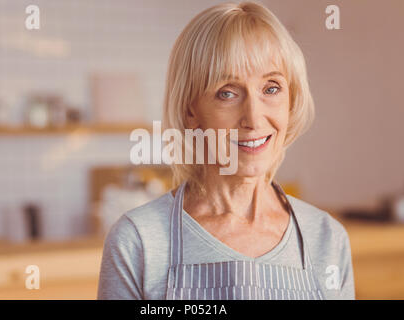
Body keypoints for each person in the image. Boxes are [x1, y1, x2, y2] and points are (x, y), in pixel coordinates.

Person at [98, 1, 355, 300]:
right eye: (228, 93)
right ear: (190, 110)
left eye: (271, 88)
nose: (254, 118)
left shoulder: (327, 238)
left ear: (290, 100)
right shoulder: (138, 242)